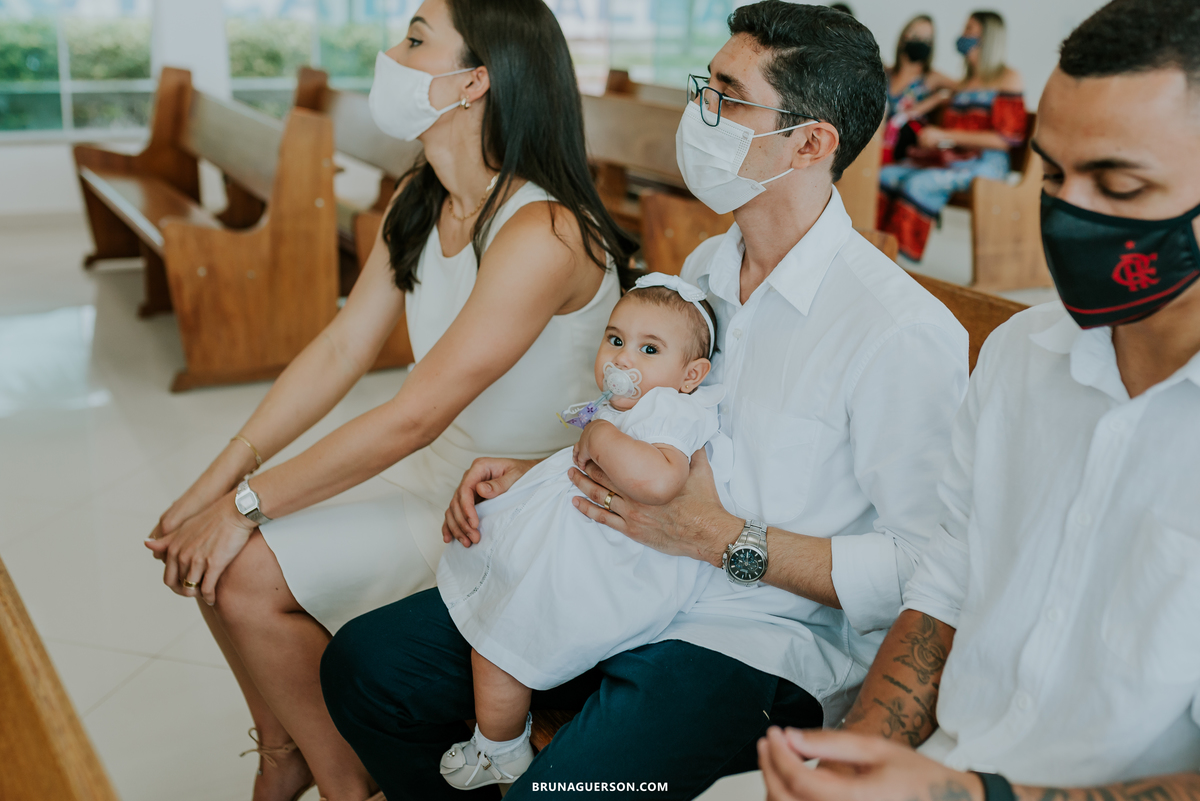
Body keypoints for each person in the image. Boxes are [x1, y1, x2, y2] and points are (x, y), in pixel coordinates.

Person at [319, 4, 969, 799]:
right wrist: (538, 468)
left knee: (565, 791)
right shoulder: (702, 268)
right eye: (706, 87)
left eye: (728, 97)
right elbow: (661, 424)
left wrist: (723, 538)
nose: (700, 115)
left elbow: (927, 565)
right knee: (368, 667)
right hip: (628, 569)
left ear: (810, 142)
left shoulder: (894, 328)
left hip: (758, 635)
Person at [142, 1, 634, 799]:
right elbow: (341, 349)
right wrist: (217, 481)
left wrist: (242, 505)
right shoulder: (423, 195)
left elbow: (416, 412)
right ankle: (284, 749)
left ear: (472, 81)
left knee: (243, 569)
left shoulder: (542, 229)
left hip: (504, 502)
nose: (389, 52)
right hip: (431, 471)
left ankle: (343, 782)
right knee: (214, 559)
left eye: (413, 38)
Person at [757, 1, 1200, 799]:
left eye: (1121, 184)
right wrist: (853, 759)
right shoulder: (1023, 357)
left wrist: (966, 795)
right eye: (1054, 174)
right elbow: (944, 589)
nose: (1071, 215)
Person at [437, 274, 722, 789]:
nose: (623, 359)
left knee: (502, 642)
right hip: (579, 539)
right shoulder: (634, 405)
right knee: (494, 630)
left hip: (611, 567)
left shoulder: (673, 410)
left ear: (690, 375)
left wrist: (600, 433)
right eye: (615, 340)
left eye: (649, 348)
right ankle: (499, 742)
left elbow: (658, 480)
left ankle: (499, 749)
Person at [878, 11, 1026, 262]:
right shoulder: (965, 82)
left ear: (987, 38)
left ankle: (896, 260)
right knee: (886, 176)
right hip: (954, 159)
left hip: (986, 165)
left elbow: (1006, 139)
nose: (963, 35)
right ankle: (874, 247)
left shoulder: (1008, 78)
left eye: (970, 30)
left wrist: (944, 134)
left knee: (918, 184)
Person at [883, 16, 954, 164]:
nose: (921, 42)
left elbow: (966, 88)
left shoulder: (931, 78)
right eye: (916, 35)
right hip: (875, 142)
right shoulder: (884, 73)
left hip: (903, 153)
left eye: (927, 40)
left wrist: (935, 100)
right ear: (903, 37)